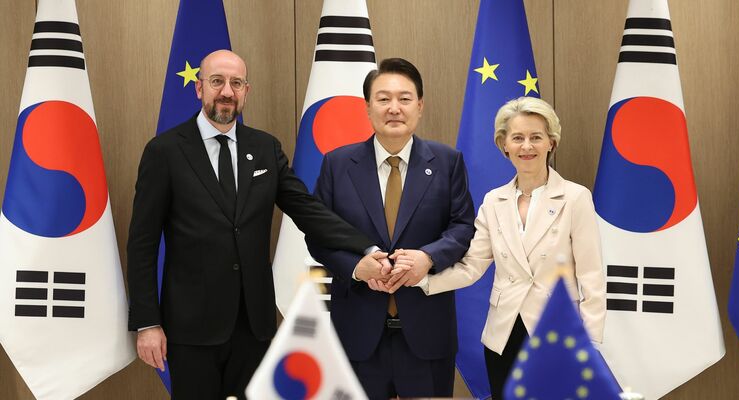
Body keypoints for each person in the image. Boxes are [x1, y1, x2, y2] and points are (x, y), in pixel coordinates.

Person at [126, 50, 384, 400]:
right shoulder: (165, 151)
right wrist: (147, 323)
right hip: (190, 329)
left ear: (246, 91)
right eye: (217, 81)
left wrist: (365, 247)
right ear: (199, 88)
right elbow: (142, 243)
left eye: (236, 83)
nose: (227, 92)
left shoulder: (264, 148)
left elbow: (306, 209)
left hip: (254, 325)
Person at [410, 97, 606, 399]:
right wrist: (421, 278)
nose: (526, 146)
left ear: (551, 143)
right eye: (517, 138)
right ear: (504, 145)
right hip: (503, 334)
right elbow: (471, 266)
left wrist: (589, 342)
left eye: (536, 137)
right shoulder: (493, 201)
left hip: (557, 332)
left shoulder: (575, 198)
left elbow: (591, 275)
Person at [305, 58, 475, 398]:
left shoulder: (447, 161)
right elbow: (318, 235)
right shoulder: (338, 165)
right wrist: (355, 267)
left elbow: (462, 227)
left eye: (404, 98)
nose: (394, 108)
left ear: (420, 106)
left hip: (427, 332)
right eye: (383, 99)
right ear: (368, 108)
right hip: (357, 333)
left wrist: (428, 257)